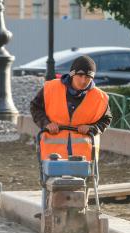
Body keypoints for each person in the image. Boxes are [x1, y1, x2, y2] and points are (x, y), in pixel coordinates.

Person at [30, 55, 112, 209]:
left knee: (83, 186)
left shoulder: (100, 97)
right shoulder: (51, 88)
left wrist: (92, 128)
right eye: (80, 76)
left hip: (83, 155)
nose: (83, 80)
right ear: (72, 74)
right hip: (53, 153)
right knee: (50, 184)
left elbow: (106, 119)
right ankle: (48, 212)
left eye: (88, 77)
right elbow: (35, 107)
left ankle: (81, 213)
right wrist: (46, 124)